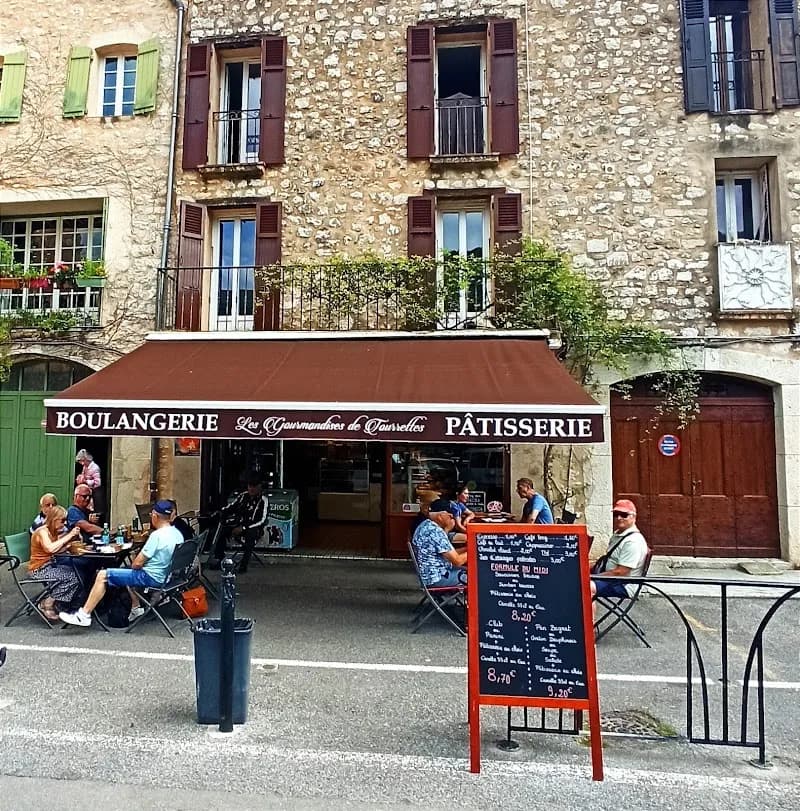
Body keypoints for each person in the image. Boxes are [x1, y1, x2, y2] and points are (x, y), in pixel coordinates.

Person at [59, 500, 183, 628]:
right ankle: (136, 608)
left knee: (102, 574)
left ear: (155, 516)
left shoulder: (157, 536)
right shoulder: (177, 534)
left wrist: (136, 557)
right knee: (125, 571)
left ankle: (84, 615)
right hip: (166, 577)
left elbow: (136, 565)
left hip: (151, 577)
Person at [28, 505, 83, 620]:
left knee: (79, 573)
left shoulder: (52, 532)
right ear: (54, 519)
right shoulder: (42, 531)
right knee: (73, 577)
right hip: (39, 569)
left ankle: (59, 602)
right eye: (62, 521)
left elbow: (56, 551)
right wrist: (69, 535)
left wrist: (69, 544)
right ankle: (47, 602)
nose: (64, 524)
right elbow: (50, 549)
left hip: (49, 565)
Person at [590, 499, 649, 604]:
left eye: (624, 515)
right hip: (612, 578)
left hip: (622, 584)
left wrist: (592, 577)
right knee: (576, 580)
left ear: (634, 517)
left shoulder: (633, 542)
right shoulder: (619, 534)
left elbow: (620, 572)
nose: (619, 518)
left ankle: (587, 620)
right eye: (616, 514)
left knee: (586, 588)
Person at [209, 478, 269, 573]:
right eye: (250, 486)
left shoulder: (263, 500)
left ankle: (243, 566)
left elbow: (262, 520)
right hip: (237, 524)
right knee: (218, 531)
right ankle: (220, 559)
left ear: (259, 487)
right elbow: (231, 507)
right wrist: (221, 512)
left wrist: (244, 527)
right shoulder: (243, 496)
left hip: (253, 527)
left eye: (254, 487)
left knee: (251, 535)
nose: (251, 489)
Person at [411, 498, 468, 588]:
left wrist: (467, 549)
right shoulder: (435, 532)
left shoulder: (425, 525)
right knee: (476, 575)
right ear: (441, 516)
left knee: (468, 570)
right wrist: (475, 551)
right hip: (437, 578)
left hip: (429, 576)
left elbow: (448, 553)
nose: (452, 519)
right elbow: (457, 561)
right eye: (451, 516)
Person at [75, 449, 104, 516]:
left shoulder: (95, 468)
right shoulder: (85, 467)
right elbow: (83, 475)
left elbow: (98, 483)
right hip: (88, 491)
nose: (81, 463)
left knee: (95, 512)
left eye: (82, 461)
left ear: (86, 459)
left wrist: (86, 481)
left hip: (95, 493)